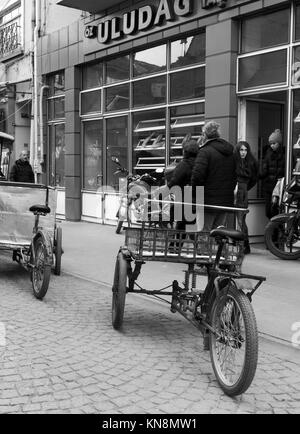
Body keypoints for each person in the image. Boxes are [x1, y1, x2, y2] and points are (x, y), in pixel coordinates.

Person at [191, 121, 237, 232]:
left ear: (205, 135)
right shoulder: (230, 152)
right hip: (224, 202)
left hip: (207, 202)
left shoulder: (205, 152)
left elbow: (197, 176)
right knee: (218, 234)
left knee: (203, 233)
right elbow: (235, 175)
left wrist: (194, 195)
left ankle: (204, 250)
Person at [167, 139, 199, 231]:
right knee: (191, 228)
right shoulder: (201, 164)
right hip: (198, 200)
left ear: (185, 151)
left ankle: (174, 245)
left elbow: (174, 181)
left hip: (185, 201)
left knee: (181, 229)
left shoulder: (184, 165)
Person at [234, 141, 259, 254]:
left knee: (241, 220)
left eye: (245, 150)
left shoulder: (251, 163)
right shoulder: (233, 161)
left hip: (242, 192)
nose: (243, 152)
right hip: (233, 191)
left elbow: (254, 179)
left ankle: (245, 245)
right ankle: (239, 244)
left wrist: (244, 188)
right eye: (241, 150)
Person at [260, 129, 285, 219]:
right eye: (270, 144)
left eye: (274, 143)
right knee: (268, 212)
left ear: (279, 143)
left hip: (280, 188)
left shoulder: (286, 154)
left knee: (277, 211)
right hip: (269, 188)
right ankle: (273, 231)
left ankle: (276, 232)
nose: (272, 145)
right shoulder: (268, 154)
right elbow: (263, 172)